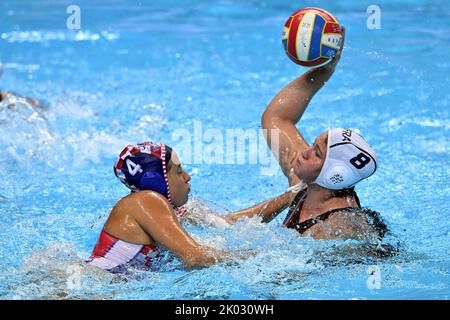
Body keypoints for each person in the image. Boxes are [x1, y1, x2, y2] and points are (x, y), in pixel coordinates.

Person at [251, 26, 391, 244]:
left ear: (335, 174)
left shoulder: (339, 227)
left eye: (316, 152)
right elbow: (277, 118)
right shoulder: (310, 184)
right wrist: (326, 70)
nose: (303, 151)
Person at [86, 142, 293, 273]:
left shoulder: (168, 209)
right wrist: (263, 259)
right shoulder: (146, 200)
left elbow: (229, 223)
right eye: (178, 171)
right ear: (156, 180)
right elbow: (195, 257)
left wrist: (291, 195)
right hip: (93, 286)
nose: (187, 177)